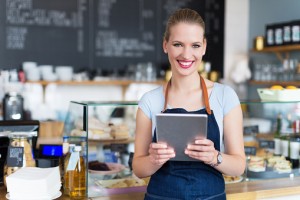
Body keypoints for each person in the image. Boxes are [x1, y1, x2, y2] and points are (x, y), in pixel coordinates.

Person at [132, 8, 245, 200]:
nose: (186, 54)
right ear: (165, 45)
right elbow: (138, 169)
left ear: (204, 47)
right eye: (178, 44)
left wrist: (214, 157)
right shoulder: (150, 101)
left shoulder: (225, 96)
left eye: (194, 45)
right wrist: (153, 160)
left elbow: (239, 166)